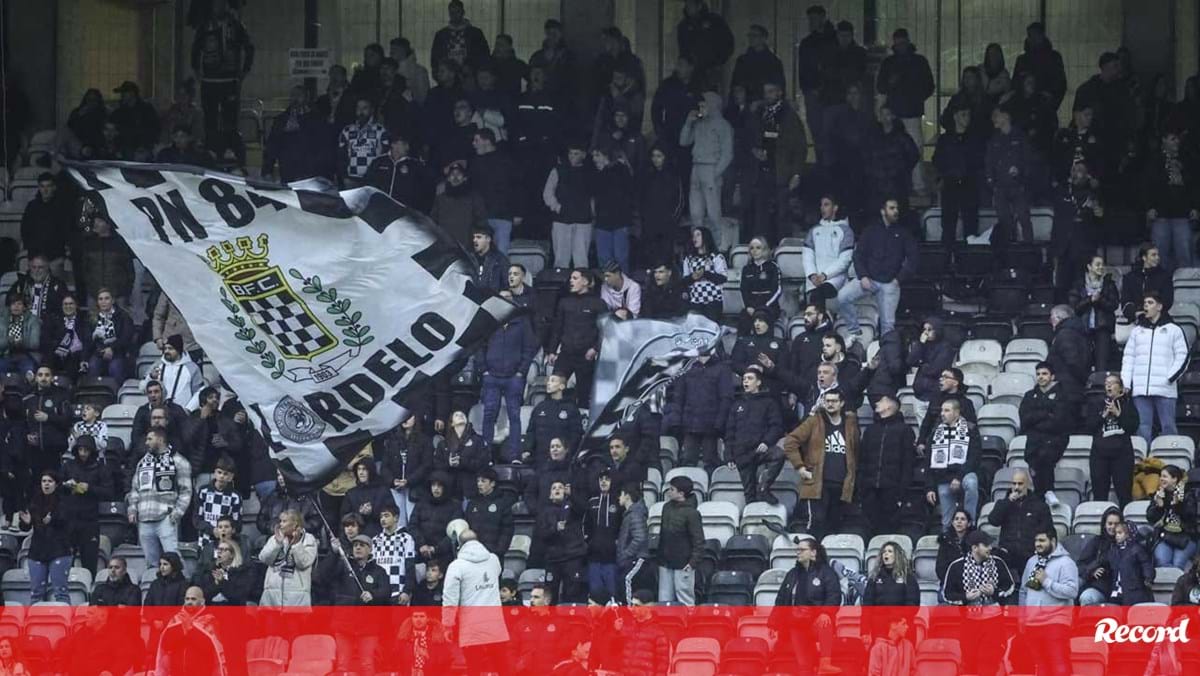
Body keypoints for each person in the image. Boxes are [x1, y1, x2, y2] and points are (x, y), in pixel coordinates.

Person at [836, 198, 918, 340]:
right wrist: (863, 276)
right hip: (869, 279)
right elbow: (858, 255)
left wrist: (898, 279)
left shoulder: (904, 233)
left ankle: (885, 356)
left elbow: (913, 258)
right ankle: (855, 332)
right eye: (892, 208)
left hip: (890, 284)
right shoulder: (870, 231)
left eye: (896, 208)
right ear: (883, 211)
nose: (896, 211)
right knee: (842, 297)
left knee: (888, 325)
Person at [783, 389, 858, 539]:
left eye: (834, 401)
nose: (830, 404)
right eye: (827, 401)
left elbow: (855, 450)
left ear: (842, 403)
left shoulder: (851, 424)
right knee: (816, 523)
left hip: (842, 484)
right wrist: (800, 467)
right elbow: (790, 442)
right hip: (817, 483)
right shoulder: (814, 421)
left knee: (835, 528)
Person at [941, 531, 1015, 674]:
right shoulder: (957, 566)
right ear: (975, 548)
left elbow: (1010, 586)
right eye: (986, 545)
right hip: (969, 621)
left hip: (993, 620)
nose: (990, 548)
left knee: (988, 662)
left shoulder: (998, 563)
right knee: (970, 661)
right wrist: (965, 597)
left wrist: (995, 591)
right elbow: (947, 594)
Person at [1122, 292, 1188, 443]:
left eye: (1150, 303)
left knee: (1168, 427)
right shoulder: (1137, 331)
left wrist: (1170, 378)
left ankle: (1170, 462)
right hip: (1140, 389)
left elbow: (1183, 355)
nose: (1146, 306)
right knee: (1142, 428)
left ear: (1159, 307)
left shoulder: (1173, 330)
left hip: (1165, 388)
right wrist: (1126, 382)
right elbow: (1128, 357)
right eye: (1145, 303)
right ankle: (1143, 464)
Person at [876, 28, 934, 197]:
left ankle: (913, 184)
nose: (900, 46)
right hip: (898, 113)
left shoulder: (902, 62)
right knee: (907, 149)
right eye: (898, 43)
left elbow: (928, 86)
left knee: (911, 149)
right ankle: (913, 185)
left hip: (904, 112)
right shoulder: (914, 62)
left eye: (902, 42)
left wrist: (914, 96)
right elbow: (881, 86)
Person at [770, 537, 841, 675]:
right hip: (796, 624)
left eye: (802, 550)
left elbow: (834, 596)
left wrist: (825, 612)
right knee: (804, 667)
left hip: (815, 620)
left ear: (813, 553)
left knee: (825, 621)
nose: (798, 553)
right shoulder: (792, 574)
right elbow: (781, 599)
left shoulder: (827, 573)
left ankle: (825, 663)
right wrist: (773, 622)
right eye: (797, 550)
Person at [443, 527, 510, 672]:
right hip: (495, 623)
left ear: (459, 545)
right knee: (502, 666)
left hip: (471, 626)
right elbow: (498, 573)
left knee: (474, 668)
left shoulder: (456, 566)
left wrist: (448, 625)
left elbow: (450, 599)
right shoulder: (493, 559)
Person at [127, 428, 192, 566]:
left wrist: (176, 514)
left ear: (160, 440)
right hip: (144, 519)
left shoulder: (178, 461)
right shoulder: (143, 462)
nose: (146, 442)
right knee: (151, 562)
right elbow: (135, 488)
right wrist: (132, 510)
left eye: (150, 439)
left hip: (165, 518)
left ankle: (183, 585)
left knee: (173, 559)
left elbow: (186, 491)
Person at [326, 534, 391, 673]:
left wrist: (373, 595)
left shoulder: (379, 571)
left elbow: (386, 592)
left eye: (362, 545)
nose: (358, 548)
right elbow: (324, 577)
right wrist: (334, 553)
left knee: (367, 664)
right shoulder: (342, 567)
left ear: (370, 550)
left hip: (368, 626)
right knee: (343, 665)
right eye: (355, 545)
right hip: (343, 624)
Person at [1018, 529, 1078, 676]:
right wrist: (1022, 617)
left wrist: (1046, 582)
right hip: (1032, 623)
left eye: (1042, 541)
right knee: (1041, 667)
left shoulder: (1066, 562)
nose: (1038, 544)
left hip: (1056, 622)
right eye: (1036, 541)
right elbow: (1023, 591)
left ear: (1053, 541)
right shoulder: (1032, 561)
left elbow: (1072, 591)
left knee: (1060, 666)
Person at [680, 92, 735, 250]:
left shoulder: (723, 125)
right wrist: (688, 123)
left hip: (711, 169)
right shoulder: (698, 123)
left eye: (704, 105)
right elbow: (684, 141)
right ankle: (696, 247)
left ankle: (715, 247)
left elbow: (727, 153)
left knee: (713, 214)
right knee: (695, 214)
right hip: (696, 167)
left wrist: (716, 173)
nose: (701, 108)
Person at [856, 393, 916, 536]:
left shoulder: (905, 430)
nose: (876, 403)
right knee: (869, 528)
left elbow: (908, 463)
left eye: (881, 401)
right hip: (869, 489)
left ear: (889, 406)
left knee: (889, 528)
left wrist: (902, 491)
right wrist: (861, 486)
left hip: (892, 489)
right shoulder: (870, 430)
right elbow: (862, 460)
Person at [547, 269, 607, 408]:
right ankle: (552, 419)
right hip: (566, 353)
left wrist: (595, 348)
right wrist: (551, 350)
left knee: (584, 395)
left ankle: (580, 427)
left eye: (575, 278)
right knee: (554, 387)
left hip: (585, 356)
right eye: (571, 278)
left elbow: (605, 330)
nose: (571, 281)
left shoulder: (599, 304)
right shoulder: (564, 302)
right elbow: (557, 328)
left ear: (585, 282)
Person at [665, 349, 732, 472]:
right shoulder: (686, 367)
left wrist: (719, 423)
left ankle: (709, 488)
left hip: (711, 425)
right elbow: (678, 397)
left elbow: (726, 398)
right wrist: (676, 420)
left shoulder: (722, 368)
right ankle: (686, 489)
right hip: (689, 424)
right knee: (687, 460)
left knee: (710, 460)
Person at [725, 368, 785, 504]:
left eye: (750, 378)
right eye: (744, 379)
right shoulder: (736, 404)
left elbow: (776, 426)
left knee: (778, 454)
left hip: (760, 449)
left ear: (758, 382)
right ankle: (753, 521)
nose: (746, 381)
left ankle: (764, 488)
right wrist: (729, 455)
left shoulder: (769, 402)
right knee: (749, 496)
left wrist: (766, 442)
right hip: (741, 454)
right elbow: (729, 432)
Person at [1144, 129, 1198, 272]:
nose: (1177, 142)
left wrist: (1194, 207)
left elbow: (1194, 185)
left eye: (1178, 139)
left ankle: (1186, 291)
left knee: (1185, 255)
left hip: (1182, 214)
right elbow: (1147, 185)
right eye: (1173, 138)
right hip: (1160, 215)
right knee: (1158, 256)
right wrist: (1149, 207)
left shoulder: (1187, 159)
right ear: (1164, 140)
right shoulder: (1154, 160)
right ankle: (1160, 289)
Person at [1018, 362, 1072, 503]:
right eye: (1038, 374)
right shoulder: (1029, 395)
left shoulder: (1062, 395)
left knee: (1044, 455)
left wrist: (1035, 417)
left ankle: (1047, 491)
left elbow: (1059, 421)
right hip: (1034, 439)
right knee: (1033, 458)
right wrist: (1046, 412)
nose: (1040, 377)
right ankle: (1044, 494)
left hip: (1056, 438)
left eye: (1044, 374)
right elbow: (1024, 419)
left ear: (1052, 376)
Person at [986, 106, 1034, 259]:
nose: (994, 118)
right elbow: (989, 163)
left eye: (996, 115)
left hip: (1018, 186)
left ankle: (1029, 253)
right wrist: (992, 183)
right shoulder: (994, 139)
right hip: (1000, 187)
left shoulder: (1020, 137)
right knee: (1005, 222)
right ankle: (1007, 256)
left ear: (1006, 116)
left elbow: (1028, 161)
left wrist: (1019, 170)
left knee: (1024, 219)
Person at [933, 102, 985, 244]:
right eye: (963, 115)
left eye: (968, 115)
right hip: (951, 184)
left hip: (969, 183)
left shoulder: (974, 139)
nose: (967, 118)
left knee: (971, 225)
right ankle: (946, 259)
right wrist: (946, 174)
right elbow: (937, 160)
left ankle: (969, 260)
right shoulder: (945, 139)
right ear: (955, 116)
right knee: (948, 225)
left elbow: (980, 161)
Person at [925, 399, 982, 528]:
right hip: (943, 477)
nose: (942, 414)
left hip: (964, 473)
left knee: (971, 483)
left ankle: (970, 522)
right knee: (947, 522)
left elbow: (974, 458)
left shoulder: (970, 429)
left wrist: (958, 477)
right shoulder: (935, 432)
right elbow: (928, 462)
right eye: (941, 410)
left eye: (947, 410)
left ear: (956, 412)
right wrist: (929, 487)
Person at [59, 435, 111, 576]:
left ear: (92, 451)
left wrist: (90, 488)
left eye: (86, 450)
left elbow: (108, 491)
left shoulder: (100, 468)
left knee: (89, 562)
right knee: (64, 562)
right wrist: (67, 486)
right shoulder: (68, 466)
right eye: (80, 449)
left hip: (89, 521)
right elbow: (57, 487)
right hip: (69, 519)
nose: (83, 453)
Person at [988, 468, 1054, 579]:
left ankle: (1033, 593)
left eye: (1020, 484)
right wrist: (1008, 502)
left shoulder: (1039, 505)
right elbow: (993, 520)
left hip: (1031, 553)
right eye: (1014, 484)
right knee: (994, 563)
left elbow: (1048, 530)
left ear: (1027, 485)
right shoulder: (1003, 503)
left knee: (1034, 583)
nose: (1017, 487)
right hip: (1007, 552)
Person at [542, 139, 594, 269]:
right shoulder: (558, 170)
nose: (572, 156)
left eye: (576, 153)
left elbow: (593, 196)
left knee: (581, 259)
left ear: (583, 154)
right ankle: (559, 285)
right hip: (562, 219)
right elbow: (547, 193)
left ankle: (582, 285)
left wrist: (592, 213)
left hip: (583, 220)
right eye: (571, 153)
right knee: (561, 258)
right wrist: (557, 207)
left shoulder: (590, 172)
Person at [154, 586, 228, 675]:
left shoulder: (210, 620)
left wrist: (190, 629)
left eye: (193, 599)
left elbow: (209, 649)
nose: (189, 602)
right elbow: (166, 645)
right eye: (187, 599)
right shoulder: (176, 619)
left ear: (202, 601)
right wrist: (182, 630)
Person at [1089, 374, 1138, 506]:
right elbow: (1089, 426)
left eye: (1112, 383)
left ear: (1120, 387)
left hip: (1122, 454)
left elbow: (1132, 427)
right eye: (1106, 383)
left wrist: (1118, 414)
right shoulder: (1097, 403)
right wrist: (1103, 415)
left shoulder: (1128, 404)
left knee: (1124, 493)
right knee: (1099, 494)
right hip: (1099, 454)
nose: (1109, 385)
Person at [537, 479, 588, 603]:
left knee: (573, 593)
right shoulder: (544, 512)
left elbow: (583, 509)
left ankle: (570, 621)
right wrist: (555, 529)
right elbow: (542, 534)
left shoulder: (573, 506)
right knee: (550, 594)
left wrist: (572, 495)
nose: (557, 489)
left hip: (573, 557)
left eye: (560, 487)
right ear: (550, 494)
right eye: (554, 488)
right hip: (553, 559)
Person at [23, 471, 70, 603]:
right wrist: (25, 522)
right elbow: (26, 527)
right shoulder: (34, 502)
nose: (46, 484)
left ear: (56, 484)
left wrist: (53, 519)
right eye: (44, 481)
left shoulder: (64, 501)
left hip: (59, 550)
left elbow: (67, 522)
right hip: (37, 551)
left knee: (60, 592)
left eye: (49, 481)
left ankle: (66, 623)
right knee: (36, 593)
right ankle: (35, 623)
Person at [1068, 255, 1120, 371]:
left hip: (1102, 328)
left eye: (1102, 264)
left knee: (1102, 364)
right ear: (1089, 267)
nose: (1101, 267)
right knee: (1083, 362)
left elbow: (1114, 305)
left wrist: (1100, 299)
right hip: (1083, 328)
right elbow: (1075, 308)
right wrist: (1089, 300)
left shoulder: (1109, 284)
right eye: (1097, 264)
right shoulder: (1079, 284)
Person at [801, 195, 854, 311]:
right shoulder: (814, 230)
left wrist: (825, 275)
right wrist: (812, 274)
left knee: (819, 296)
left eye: (826, 205)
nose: (822, 208)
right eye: (821, 205)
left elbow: (845, 259)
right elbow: (807, 255)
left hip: (835, 279)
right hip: (814, 279)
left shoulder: (845, 231)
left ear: (835, 208)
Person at [257, 508, 318, 607]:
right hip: (272, 598)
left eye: (284, 521)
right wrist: (277, 544)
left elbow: (304, 563)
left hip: (297, 599)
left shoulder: (309, 539)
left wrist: (296, 544)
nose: (280, 524)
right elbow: (264, 558)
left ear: (295, 524)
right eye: (280, 521)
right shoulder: (275, 538)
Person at [589, 143, 635, 272]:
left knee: (621, 258)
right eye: (593, 155)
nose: (594, 159)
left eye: (597, 155)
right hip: (602, 223)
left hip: (620, 222)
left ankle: (623, 287)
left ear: (606, 155)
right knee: (604, 258)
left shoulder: (621, 170)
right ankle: (607, 288)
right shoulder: (596, 173)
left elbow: (630, 191)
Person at [658, 476, 703, 605]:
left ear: (681, 493)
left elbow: (698, 541)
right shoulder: (666, 508)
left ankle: (688, 625)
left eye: (672, 489)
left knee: (685, 600)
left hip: (683, 564)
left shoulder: (692, 514)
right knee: (664, 601)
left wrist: (692, 563)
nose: (668, 491)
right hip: (665, 562)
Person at [523, 373, 584, 466]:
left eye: (553, 381)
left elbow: (576, 434)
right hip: (540, 460)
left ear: (562, 386)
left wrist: (568, 452)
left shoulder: (571, 409)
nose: (548, 383)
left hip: (563, 461)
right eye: (548, 381)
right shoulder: (540, 407)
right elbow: (531, 431)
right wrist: (527, 449)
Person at [21, 366, 71, 479]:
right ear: (36, 378)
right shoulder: (28, 397)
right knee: (36, 484)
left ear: (52, 378)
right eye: (40, 375)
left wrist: (48, 417)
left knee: (55, 482)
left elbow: (67, 420)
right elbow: (22, 422)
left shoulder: (61, 395)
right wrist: (26, 435)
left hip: (55, 450)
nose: (44, 378)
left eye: (47, 375)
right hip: (33, 451)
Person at [908, 317, 958, 424]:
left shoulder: (945, 347)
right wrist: (920, 344)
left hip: (935, 395)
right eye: (924, 329)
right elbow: (911, 361)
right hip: (920, 395)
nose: (926, 333)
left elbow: (935, 370)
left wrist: (922, 364)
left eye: (929, 329)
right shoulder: (922, 345)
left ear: (937, 330)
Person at [19, 176, 73, 273]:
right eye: (42, 186)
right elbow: (25, 230)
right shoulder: (31, 206)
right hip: (35, 257)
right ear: (39, 188)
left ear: (54, 187)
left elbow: (67, 231)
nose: (45, 190)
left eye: (48, 186)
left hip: (56, 257)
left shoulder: (63, 207)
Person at [1148, 465, 1197, 568]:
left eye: (1165, 476)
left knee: (1177, 564)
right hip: (1164, 536)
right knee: (1162, 562)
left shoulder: (1188, 494)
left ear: (1174, 479)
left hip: (1186, 537)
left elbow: (1190, 516)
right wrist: (1159, 506)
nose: (1161, 479)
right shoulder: (1160, 494)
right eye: (1161, 476)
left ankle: (1179, 584)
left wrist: (1177, 505)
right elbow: (1151, 518)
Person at [1012, 22, 1067, 113]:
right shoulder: (1022, 60)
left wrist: (1051, 103)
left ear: (1042, 36)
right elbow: (1015, 84)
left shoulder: (1054, 58)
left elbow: (1060, 84)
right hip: (1024, 110)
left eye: (1036, 35)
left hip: (1046, 110)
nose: (1033, 38)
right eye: (1030, 35)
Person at [676, 0, 733, 87]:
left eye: (690, 4)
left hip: (711, 72)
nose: (687, 7)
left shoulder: (715, 21)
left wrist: (717, 63)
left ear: (699, 6)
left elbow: (728, 43)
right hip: (691, 73)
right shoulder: (683, 26)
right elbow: (682, 50)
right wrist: (685, 67)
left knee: (710, 98)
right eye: (686, 4)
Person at [141, 334, 203, 410]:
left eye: (170, 348)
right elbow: (143, 389)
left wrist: (189, 409)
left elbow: (199, 392)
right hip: (159, 412)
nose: (167, 351)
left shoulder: (192, 368)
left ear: (178, 350)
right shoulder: (157, 365)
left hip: (183, 413)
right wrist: (150, 377)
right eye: (165, 348)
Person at [86, 288, 136, 381]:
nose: (103, 302)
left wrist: (112, 348)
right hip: (98, 352)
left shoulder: (123, 316)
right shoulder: (92, 318)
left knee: (115, 368)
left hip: (118, 352)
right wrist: (101, 350)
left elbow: (126, 337)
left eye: (106, 298)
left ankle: (115, 394)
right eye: (100, 299)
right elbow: (88, 338)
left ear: (112, 300)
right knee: (93, 366)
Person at [338, 98, 390, 187]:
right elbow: (341, 156)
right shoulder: (347, 130)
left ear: (371, 110)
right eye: (358, 108)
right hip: (351, 178)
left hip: (373, 179)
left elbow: (386, 155)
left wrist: (381, 176)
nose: (361, 111)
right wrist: (343, 176)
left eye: (365, 108)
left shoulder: (380, 130)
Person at [681, 226, 728, 323]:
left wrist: (705, 274)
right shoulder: (689, 259)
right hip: (695, 301)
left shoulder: (716, 257)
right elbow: (684, 280)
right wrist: (692, 277)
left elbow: (722, 278)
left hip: (713, 301)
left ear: (706, 237)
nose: (695, 238)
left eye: (698, 235)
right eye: (693, 236)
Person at [464, 467, 514, 557]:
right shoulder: (472, 503)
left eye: (483, 481)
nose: (479, 484)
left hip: (494, 554)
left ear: (492, 483)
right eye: (478, 481)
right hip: (473, 553)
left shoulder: (503, 503)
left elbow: (507, 530)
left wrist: (499, 551)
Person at [431, 0, 490, 75]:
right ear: (449, 13)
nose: (455, 15)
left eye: (457, 12)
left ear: (463, 12)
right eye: (452, 13)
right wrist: (440, 76)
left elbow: (484, 56)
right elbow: (435, 60)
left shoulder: (476, 34)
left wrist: (473, 69)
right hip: (448, 79)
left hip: (471, 76)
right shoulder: (440, 35)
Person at [620, 590, 671, 675]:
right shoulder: (628, 628)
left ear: (648, 607)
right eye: (632, 605)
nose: (632, 608)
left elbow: (662, 666)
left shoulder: (659, 633)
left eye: (637, 605)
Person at [1103, 521, 1155, 605]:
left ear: (1128, 534)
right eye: (1116, 533)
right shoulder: (1113, 551)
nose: (1117, 536)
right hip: (1116, 590)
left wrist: (1148, 577)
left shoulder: (1137, 549)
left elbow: (1146, 563)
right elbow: (1104, 562)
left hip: (1134, 590)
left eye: (1120, 533)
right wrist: (1092, 569)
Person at [731, 24, 784, 105]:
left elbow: (778, 86)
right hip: (745, 103)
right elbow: (735, 83)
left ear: (763, 38)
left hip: (764, 102)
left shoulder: (773, 61)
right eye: (750, 35)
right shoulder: (742, 60)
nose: (751, 38)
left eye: (754, 36)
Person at [616, 484, 651, 604]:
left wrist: (626, 553)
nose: (618, 498)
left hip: (636, 558)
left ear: (627, 496)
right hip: (631, 559)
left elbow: (640, 537)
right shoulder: (630, 514)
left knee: (627, 581)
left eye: (620, 494)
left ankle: (629, 614)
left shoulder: (635, 514)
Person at [1120, 244, 1174, 322]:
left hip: (1159, 319)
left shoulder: (1165, 277)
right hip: (1135, 320)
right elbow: (1125, 301)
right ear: (1144, 257)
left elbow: (1167, 301)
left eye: (1158, 255)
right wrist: (1135, 313)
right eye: (1153, 255)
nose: (1157, 258)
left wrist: (1151, 312)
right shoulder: (1130, 278)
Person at [9, 255, 69, 324]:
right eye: (34, 267)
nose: (36, 270)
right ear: (30, 268)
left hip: (48, 326)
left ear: (47, 268)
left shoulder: (58, 285)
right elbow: (9, 301)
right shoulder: (22, 283)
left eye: (40, 267)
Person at [862, 541, 920, 609]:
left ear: (897, 555)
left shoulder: (908, 577)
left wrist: (904, 618)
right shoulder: (875, 577)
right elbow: (867, 602)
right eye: (884, 552)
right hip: (878, 618)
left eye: (890, 551)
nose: (886, 553)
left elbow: (912, 602)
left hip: (900, 618)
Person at [109, 80, 161, 157]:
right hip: (123, 148)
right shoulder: (119, 111)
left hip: (142, 148)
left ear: (132, 93)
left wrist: (145, 145)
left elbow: (154, 129)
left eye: (124, 93)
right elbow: (112, 128)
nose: (122, 95)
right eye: (122, 93)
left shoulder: (146, 109)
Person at [43, 294, 90, 376]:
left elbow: (87, 341)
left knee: (72, 360)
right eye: (65, 304)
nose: (68, 306)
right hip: (59, 353)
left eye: (71, 304)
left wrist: (83, 358)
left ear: (76, 305)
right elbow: (48, 340)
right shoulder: (55, 320)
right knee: (48, 359)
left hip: (77, 354)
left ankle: (71, 387)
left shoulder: (83, 321)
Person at [0, 293, 40, 375]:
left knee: (29, 371)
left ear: (24, 307)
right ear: (9, 307)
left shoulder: (33, 320)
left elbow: (35, 343)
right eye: (13, 304)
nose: (16, 306)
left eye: (19, 304)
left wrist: (21, 343)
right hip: (6, 355)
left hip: (26, 356)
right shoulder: (2, 321)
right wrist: (8, 341)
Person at [935, 508, 973, 582]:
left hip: (970, 581)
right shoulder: (945, 541)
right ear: (952, 523)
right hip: (950, 582)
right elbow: (940, 568)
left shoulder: (974, 541)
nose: (959, 521)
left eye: (963, 519)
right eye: (956, 519)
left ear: (969, 524)